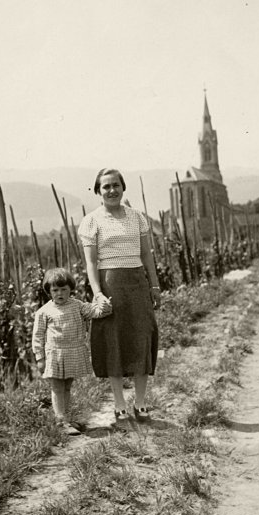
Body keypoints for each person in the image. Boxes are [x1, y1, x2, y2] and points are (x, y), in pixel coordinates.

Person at [78, 168, 160, 422]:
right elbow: (91, 263)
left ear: (123, 188)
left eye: (116, 185)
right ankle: (119, 404)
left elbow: (147, 255)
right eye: (106, 186)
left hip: (136, 283)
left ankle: (141, 402)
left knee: (141, 338)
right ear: (98, 191)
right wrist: (98, 294)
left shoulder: (137, 218)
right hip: (110, 283)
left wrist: (154, 286)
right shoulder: (91, 221)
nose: (112, 190)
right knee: (113, 341)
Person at [32, 267, 112, 435]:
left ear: (71, 290)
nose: (59, 293)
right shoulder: (44, 312)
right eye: (55, 290)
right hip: (55, 354)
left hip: (72, 352)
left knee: (67, 386)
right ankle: (60, 421)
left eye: (64, 289)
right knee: (57, 388)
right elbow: (38, 336)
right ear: (49, 291)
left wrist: (104, 306)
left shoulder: (77, 305)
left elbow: (94, 312)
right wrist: (40, 358)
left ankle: (66, 418)